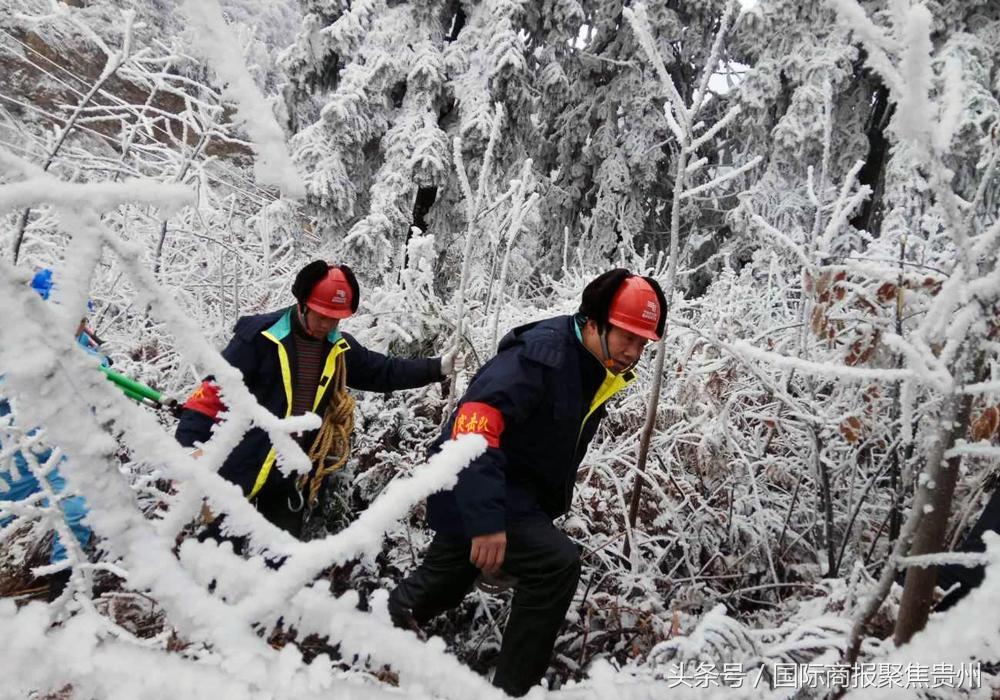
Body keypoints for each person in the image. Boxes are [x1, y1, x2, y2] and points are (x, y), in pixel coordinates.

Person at [388, 269, 667, 696]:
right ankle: (513, 691)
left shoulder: (589, 363)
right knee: (555, 564)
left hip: (501, 490)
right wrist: (487, 521)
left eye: (643, 342)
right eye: (627, 337)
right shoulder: (541, 356)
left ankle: (367, 628)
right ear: (594, 323)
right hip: (475, 484)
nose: (634, 351)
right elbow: (473, 427)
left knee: (441, 585)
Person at [175, 261, 460, 542]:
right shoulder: (259, 339)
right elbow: (211, 395)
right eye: (321, 316)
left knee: (281, 563)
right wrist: (190, 450)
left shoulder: (338, 348)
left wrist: (437, 368)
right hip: (239, 466)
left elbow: (382, 372)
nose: (327, 325)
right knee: (220, 560)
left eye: (334, 318)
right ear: (302, 304)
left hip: (291, 475)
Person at [0, 268, 107, 600]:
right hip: (17, 451)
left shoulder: (86, 356)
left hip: (67, 453)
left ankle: (66, 593)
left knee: (75, 512)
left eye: (80, 315)